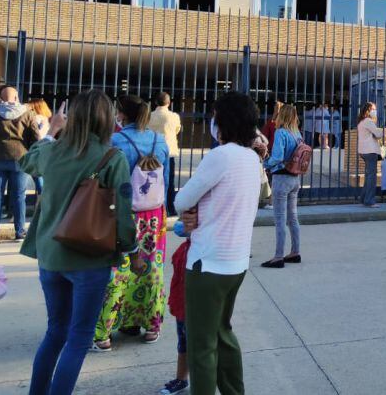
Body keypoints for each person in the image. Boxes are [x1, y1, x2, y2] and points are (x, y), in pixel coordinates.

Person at [19, 90, 139, 395]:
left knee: (56, 331)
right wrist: (133, 250)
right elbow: (123, 215)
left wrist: (51, 129)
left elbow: (26, 162)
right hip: (90, 258)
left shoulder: (52, 151)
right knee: (80, 337)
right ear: (106, 119)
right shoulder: (113, 158)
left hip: (51, 256)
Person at [174, 92, 262, 395]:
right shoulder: (252, 159)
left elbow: (182, 199)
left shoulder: (220, 156)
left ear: (222, 122)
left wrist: (191, 210)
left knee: (201, 344)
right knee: (223, 333)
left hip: (207, 263)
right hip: (236, 262)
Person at [93, 94, 172, 350]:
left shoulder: (114, 142)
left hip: (123, 212)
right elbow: (166, 182)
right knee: (151, 269)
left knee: (117, 271)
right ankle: (150, 325)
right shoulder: (159, 141)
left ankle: (104, 331)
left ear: (122, 115)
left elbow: (105, 182)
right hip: (154, 216)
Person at [261, 104, 303, 269]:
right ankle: (295, 252)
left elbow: (278, 156)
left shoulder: (281, 132)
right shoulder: (297, 134)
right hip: (295, 178)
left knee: (280, 219)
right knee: (293, 217)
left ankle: (278, 257)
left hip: (281, 178)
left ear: (282, 116)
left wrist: (266, 163)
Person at [0, 86, 41, 240]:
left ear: (1, 99)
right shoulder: (28, 113)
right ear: (16, 98)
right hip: (20, 159)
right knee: (19, 196)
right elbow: (36, 137)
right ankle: (20, 231)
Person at [159, 219, 191, 395]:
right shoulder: (184, 250)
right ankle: (181, 379)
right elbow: (181, 225)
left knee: (199, 344)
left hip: (196, 302)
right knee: (184, 340)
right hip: (182, 302)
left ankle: (205, 380)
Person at [148, 92, 182, 215]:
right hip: (169, 151)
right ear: (169, 103)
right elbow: (177, 130)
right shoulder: (174, 116)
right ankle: (169, 208)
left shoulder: (150, 116)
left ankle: (153, 206)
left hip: (152, 152)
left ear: (155, 102)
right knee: (169, 180)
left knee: (152, 179)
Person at [355, 102, 383, 208]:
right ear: (368, 110)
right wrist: (382, 130)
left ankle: (364, 198)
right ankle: (369, 201)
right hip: (370, 151)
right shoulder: (368, 121)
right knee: (371, 177)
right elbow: (378, 134)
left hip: (363, 151)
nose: (375, 111)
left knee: (368, 177)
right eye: (373, 109)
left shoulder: (361, 121)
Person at [26, 98, 51, 198]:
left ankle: (40, 205)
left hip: (37, 153)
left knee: (39, 181)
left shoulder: (37, 119)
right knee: (40, 181)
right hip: (45, 153)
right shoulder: (45, 119)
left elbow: (39, 136)